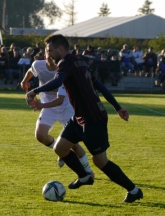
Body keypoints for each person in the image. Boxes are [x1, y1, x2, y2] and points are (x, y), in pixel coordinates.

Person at [26, 34, 143, 203]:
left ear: (60, 48)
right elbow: (99, 85)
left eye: (50, 50)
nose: (48, 54)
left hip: (93, 118)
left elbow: (58, 81)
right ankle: (84, 176)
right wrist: (117, 107)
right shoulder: (80, 61)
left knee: (100, 162)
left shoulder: (65, 62)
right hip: (79, 117)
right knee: (59, 148)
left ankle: (134, 190)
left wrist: (34, 91)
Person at [20, 51, 94, 176]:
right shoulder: (38, 65)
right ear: (45, 57)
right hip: (49, 107)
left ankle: (87, 170)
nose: (53, 58)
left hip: (66, 107)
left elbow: (59, 100)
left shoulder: (64, 72)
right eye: (49, 55)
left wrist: (41, 105)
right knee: (40, 135)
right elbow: (30, 71)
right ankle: (61, 151)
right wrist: (24, 83)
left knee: (74, 145)